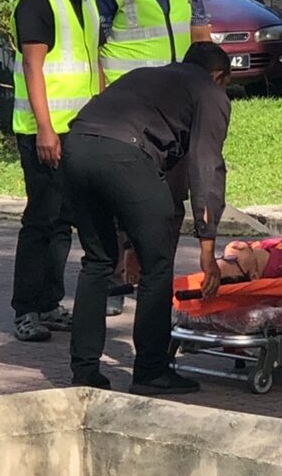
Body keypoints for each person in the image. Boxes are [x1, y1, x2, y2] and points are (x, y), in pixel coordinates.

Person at [63, 42, 231, 395]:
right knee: (157, 265)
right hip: (126, 155)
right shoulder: (209, 92)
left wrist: (134, 237)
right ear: (219, 76)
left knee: (97, 262)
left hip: (76, 146)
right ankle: (151, 370)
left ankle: (85, 370)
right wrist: (207, 245)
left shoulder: (147, 78)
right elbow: (206, 166)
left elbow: (162, 180)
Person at [89, 0, 212, 315]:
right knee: (124, 199)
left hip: (177, 108)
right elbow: (96, 48)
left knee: (170, 201)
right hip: (129, 114)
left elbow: (200, 32)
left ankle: (153, 276)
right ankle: (115, 276)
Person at [8, 0, 102, 343]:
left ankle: (50, 302)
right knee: (41, 221)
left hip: (79, 129)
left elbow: (90, 63)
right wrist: (46, 130)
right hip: (44, 132)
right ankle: (26, 309)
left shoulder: (86, 2)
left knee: (64, 222)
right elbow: (33, 66)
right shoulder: (38, 1)